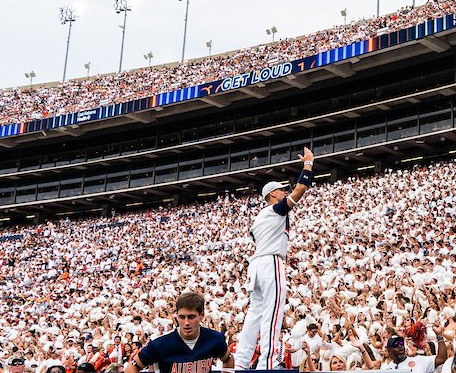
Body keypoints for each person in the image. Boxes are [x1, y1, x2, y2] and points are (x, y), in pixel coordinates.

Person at [234, 147, 316, 370]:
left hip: (257, 264)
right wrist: (308, 165)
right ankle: (267, 363)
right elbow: (300, 189)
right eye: (281, 190)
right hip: (271, 262)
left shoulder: (259, 217)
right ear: (272, 195)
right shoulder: (274, 210)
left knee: (254, 314)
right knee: (273, 312)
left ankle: (241, 363)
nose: (284, 192)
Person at [123, 292, 233, 373]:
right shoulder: (160, 344)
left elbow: (228, 359)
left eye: (191, 317)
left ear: (202, 315)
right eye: (182, 317)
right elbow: (132, 367)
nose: (186, 322)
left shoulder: (214, 339)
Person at [381, 334, 448, 373]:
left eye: (401, 343)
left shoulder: (419, 360)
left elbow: (441, 358)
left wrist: (440, 338)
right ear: (389, 351)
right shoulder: (387, 370)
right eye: (395, 344)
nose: (400, 346)